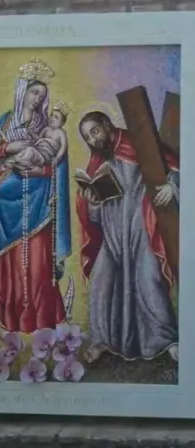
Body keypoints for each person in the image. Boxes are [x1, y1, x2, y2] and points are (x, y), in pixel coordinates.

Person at [76, 111, 179, 363]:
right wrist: (92, 204)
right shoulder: (98, 162)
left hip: (141, 227)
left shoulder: (138, 144)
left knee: (148, 279)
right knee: (102, 282)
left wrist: (172, 185)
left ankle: (167, 340)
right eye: (88, 137)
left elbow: (176, 167)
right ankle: (102, 341)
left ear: (106, 124)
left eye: (95, 131)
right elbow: (95, 219)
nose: (93, 139)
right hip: (112, 235)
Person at [0, 59, 72, 333]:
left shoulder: (48, 128)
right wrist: (8, 147)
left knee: (38, 265)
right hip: (7, 205)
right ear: (23, 92)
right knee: (12, 265)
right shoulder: (4, 122)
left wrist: (38, 167)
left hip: (39, 205)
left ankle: (43, 319)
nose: (37, 99)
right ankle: (12, 320)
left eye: (42, 96)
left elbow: (58, 164)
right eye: (34, 92)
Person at [3, 104, 69, 172]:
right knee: (28, 153)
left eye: (56, 117)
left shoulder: (61, 132)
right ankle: (22, 165)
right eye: (51, 115)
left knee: (30, 151)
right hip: (38, 150)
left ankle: (11, 161)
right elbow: (38, 139)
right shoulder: (46, 129)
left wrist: (57, 158)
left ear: (62, 123)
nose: (52, 118)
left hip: (44, 157)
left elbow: (63, 147)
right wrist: (31, 133)